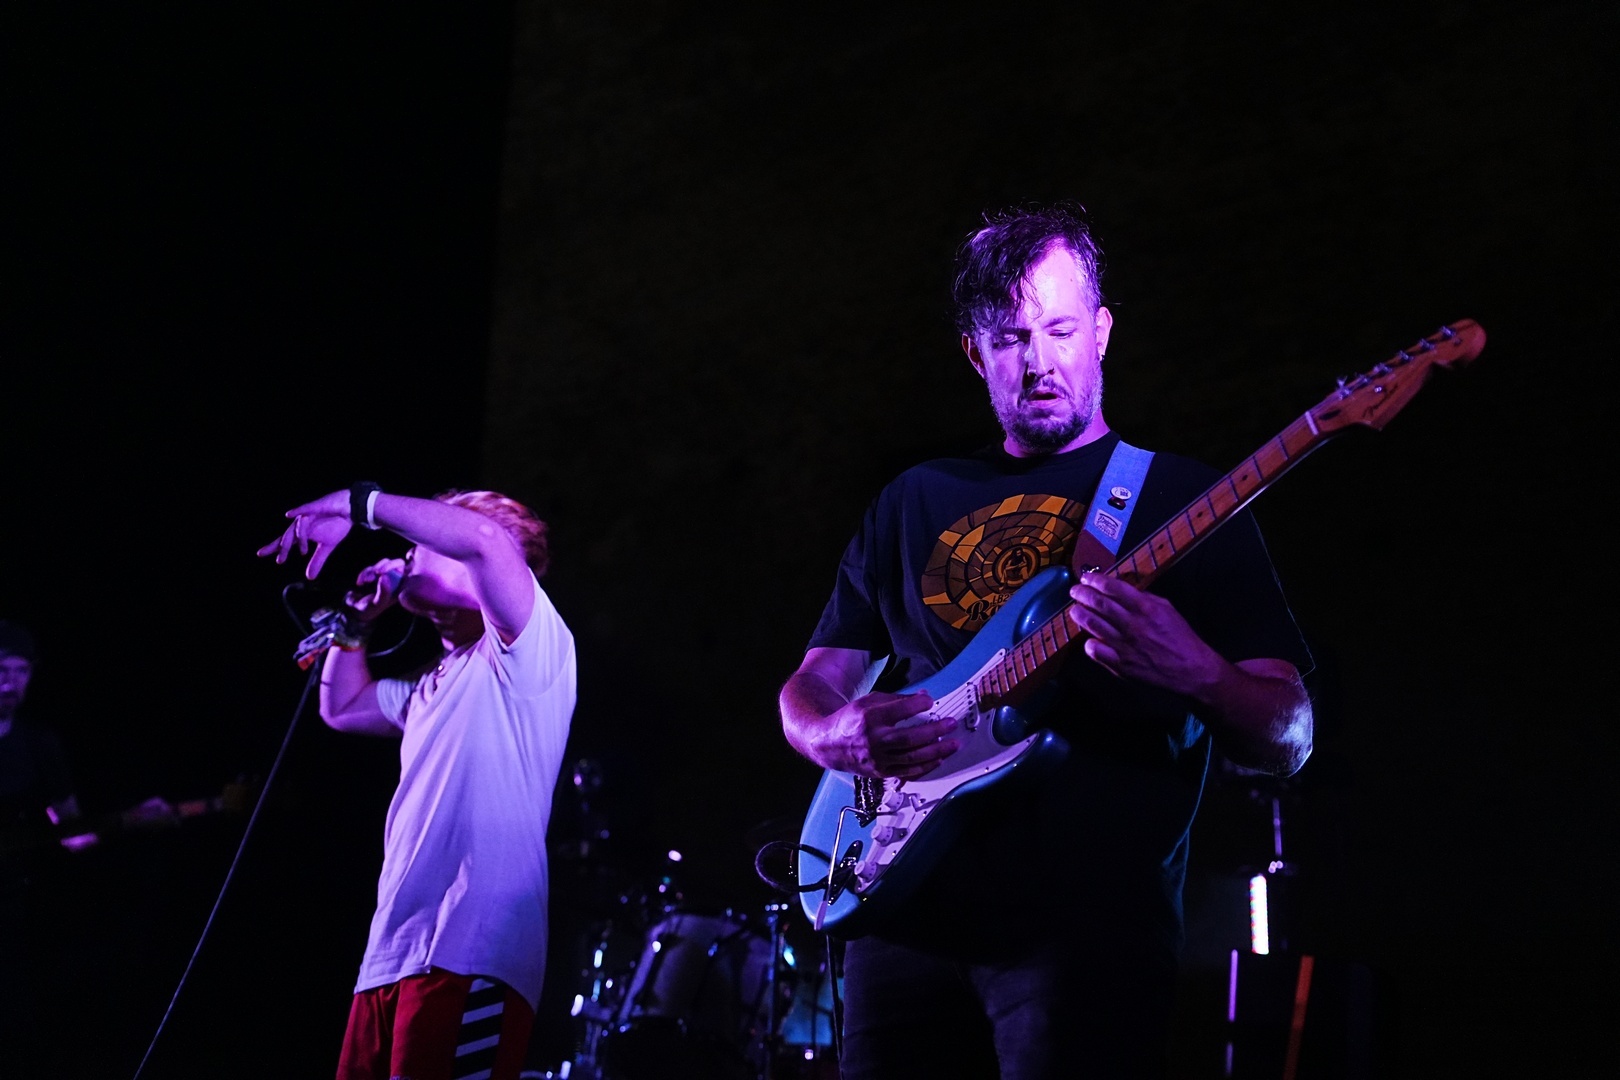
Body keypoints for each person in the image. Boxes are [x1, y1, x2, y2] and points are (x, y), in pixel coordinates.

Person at [777, 202, 1314, 1079]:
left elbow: (1290, 734)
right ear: (975, 354)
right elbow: (811, 685)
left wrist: (1198, 672)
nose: (1039, 363)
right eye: (1011, 340)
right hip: (901, 914)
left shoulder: (1180, 497)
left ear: (1101, 333)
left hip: (1088, 934)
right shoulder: (913, 497)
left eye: (1061, 331)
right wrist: (831, 734)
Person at [258, 483, 577, 1080]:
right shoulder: (434, 682)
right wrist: (356, 625)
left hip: (471, 948)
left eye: (426, 538)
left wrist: (360, 504)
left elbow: (483, 539)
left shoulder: (530, 650)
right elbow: (342, 706)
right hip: (393, 952)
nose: (407, 551)